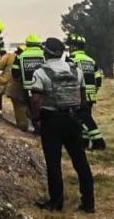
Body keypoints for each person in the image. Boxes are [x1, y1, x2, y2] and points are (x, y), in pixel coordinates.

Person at [30, 38, 95, 214]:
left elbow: (36, 98)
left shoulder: (41, 73)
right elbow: (83, 94)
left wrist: (36, 119)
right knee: (80, 160)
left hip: (52, 120)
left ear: (46, 52)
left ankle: (56, 202)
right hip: (73, 119)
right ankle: (88, 202)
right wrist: (81, 112)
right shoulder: (76, 70)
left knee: (53, 162)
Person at [66, 34, 106, 150]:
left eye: (70, 46)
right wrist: (93, 90)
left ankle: (99, 142)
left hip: (78, 94)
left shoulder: (71, 60)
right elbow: (98, 79)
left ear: (73, 47)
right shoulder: (91, 61)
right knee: (84, 117)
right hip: (90, 95)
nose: (69, 48)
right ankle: (84, 142)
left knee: (83, 118)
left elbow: (68, 78)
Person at [11, 34, 46, 129]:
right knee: (43, 106)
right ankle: (44, 127)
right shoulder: (44, 55)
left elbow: (15, 72)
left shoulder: (21, 56)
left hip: (28, 88)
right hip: (43, 87)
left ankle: (36, 127)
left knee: (31, 107)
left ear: (27, 44)